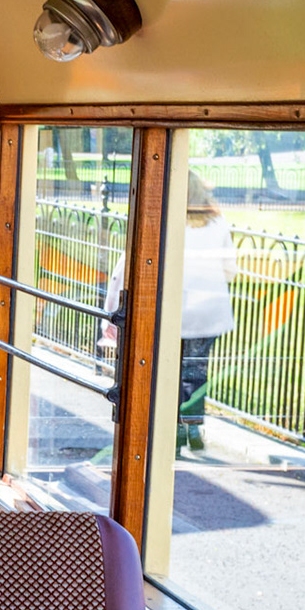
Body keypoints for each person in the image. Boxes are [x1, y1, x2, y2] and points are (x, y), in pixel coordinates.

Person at [102, 171, 238, 450]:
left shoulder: (162, 222)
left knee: (166, 370)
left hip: (171, 309)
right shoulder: (217, 223)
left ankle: (172, 427)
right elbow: (230, 271)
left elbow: (127, 267)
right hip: (208, 311)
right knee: (197, 369)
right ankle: (194, 426)